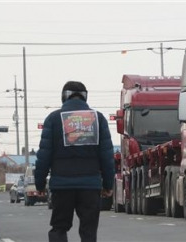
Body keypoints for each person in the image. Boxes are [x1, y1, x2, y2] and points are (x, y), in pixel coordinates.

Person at [34, 81, 115, 242]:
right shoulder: (98, 119)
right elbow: (107, 156)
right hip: (90, 186)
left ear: (64, 96)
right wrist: (107, 185)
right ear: (85, 97)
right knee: (89, 231)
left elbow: (44, 156)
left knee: (59, 228)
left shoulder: (53, 119)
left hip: (62, 186)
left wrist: (40, 184)